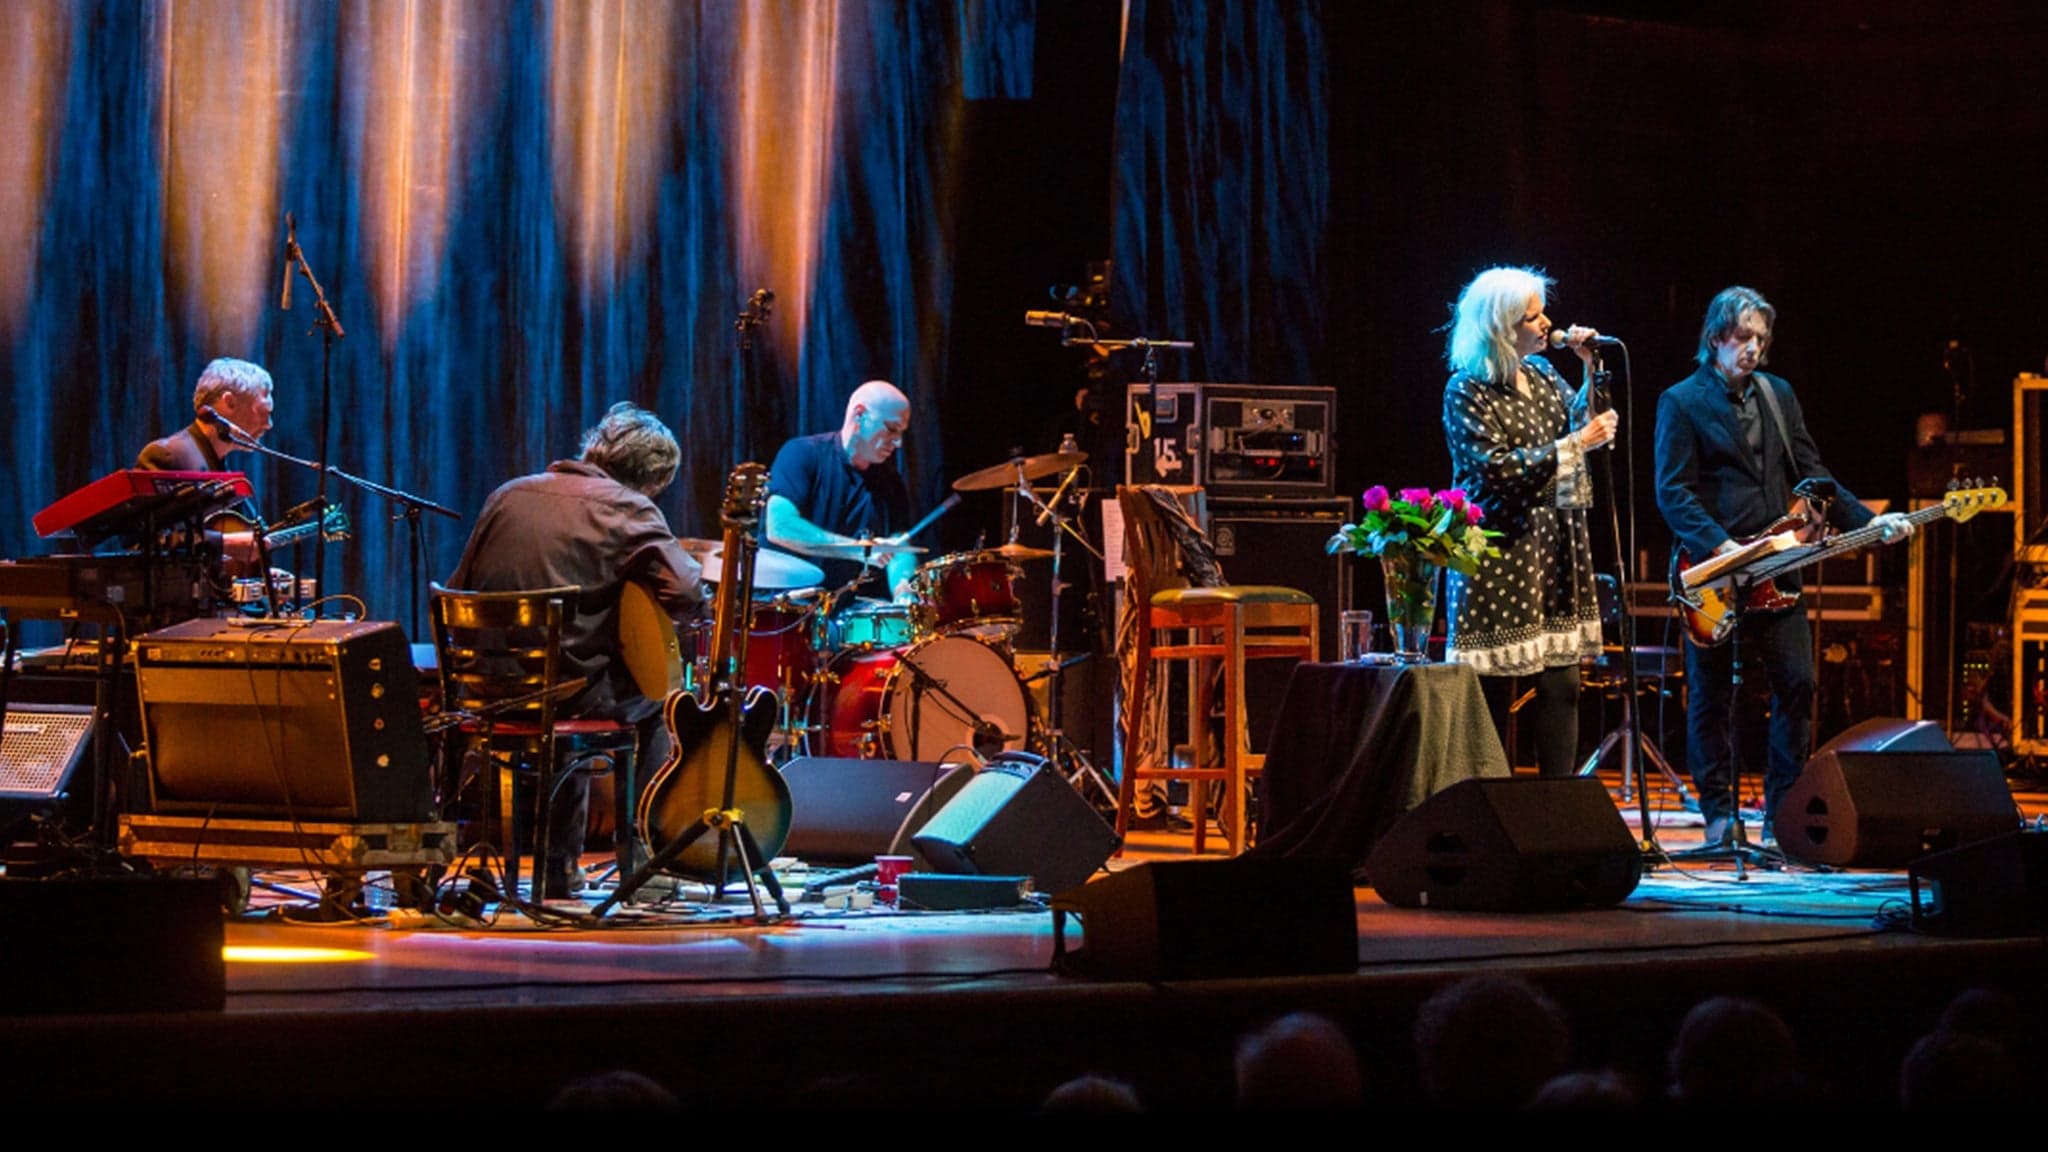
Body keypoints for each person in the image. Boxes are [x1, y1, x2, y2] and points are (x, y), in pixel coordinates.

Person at [1654, 286, 1914, 844]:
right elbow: (1672, 492)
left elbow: (1813, 475)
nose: (1753, 348)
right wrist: (1720, 545)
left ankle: (1782, 812)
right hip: (1714, 572)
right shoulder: (1679, 401)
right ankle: (1720, 814)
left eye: (1761, 339)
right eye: (1744, 337)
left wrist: (1869, 523)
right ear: (1716, 337)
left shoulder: (1778, 395)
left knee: (1798, 684)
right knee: (1712, 695)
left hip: (1778, 567)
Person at [449, 402, 704, 899]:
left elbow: (462, 586)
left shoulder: (508, 494)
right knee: (659, 703)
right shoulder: (628, 508)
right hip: (566, 698)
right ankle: (642, 862)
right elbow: (688, 595)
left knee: (580, 672)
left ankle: (551, 864)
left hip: (484, 691)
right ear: (650, 480)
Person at [1441, 266, 1619, 777]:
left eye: (1543, 313)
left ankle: (1555, 812)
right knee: (1495, 692)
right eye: (1532, 316)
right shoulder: (1466, 389)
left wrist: (1589, 369)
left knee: (1561, 684)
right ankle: (1490, 813)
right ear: (1500, 327)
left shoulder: (1541, 375)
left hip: (1554, 546)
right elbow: (1494, 470)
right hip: (1500, 552)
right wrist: (1574, 445)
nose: (1546, 324)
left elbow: (1586, 425)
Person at [763, 380, 920, 603]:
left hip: (843, 608)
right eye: (891, 429)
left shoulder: (890, 481)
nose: (898, 442)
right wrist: (859, 550)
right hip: (784, 608)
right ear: (859, 415)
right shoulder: (802, 454)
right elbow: (780, 527)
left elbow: (899, 546)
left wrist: (903, 589)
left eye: (902, 432)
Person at [136, 357, 277, 568]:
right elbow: (143, 538)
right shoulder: (167, 455)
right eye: (263, 413)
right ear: (229, 402)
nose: (269, 425)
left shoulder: (219, 462)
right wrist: (223, 543)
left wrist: (260, 579)